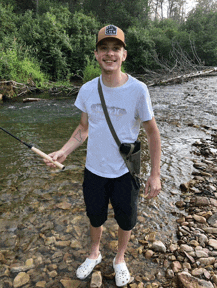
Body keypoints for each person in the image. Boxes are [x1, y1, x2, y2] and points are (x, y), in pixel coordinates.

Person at [44, 25, 161, 287]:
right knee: (95, 216)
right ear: (96, 55)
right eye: (104, 49)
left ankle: (120, 259)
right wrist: (63, 151)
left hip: (126, 170)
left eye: (115, 49)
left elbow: (153, 134)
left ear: (124, 55)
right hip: (94, 170)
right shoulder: (86, 90)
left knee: (126, 220)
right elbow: (83, 129)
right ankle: (94, 254)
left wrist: (155, 174)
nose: (110, 54)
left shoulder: (139, 90)